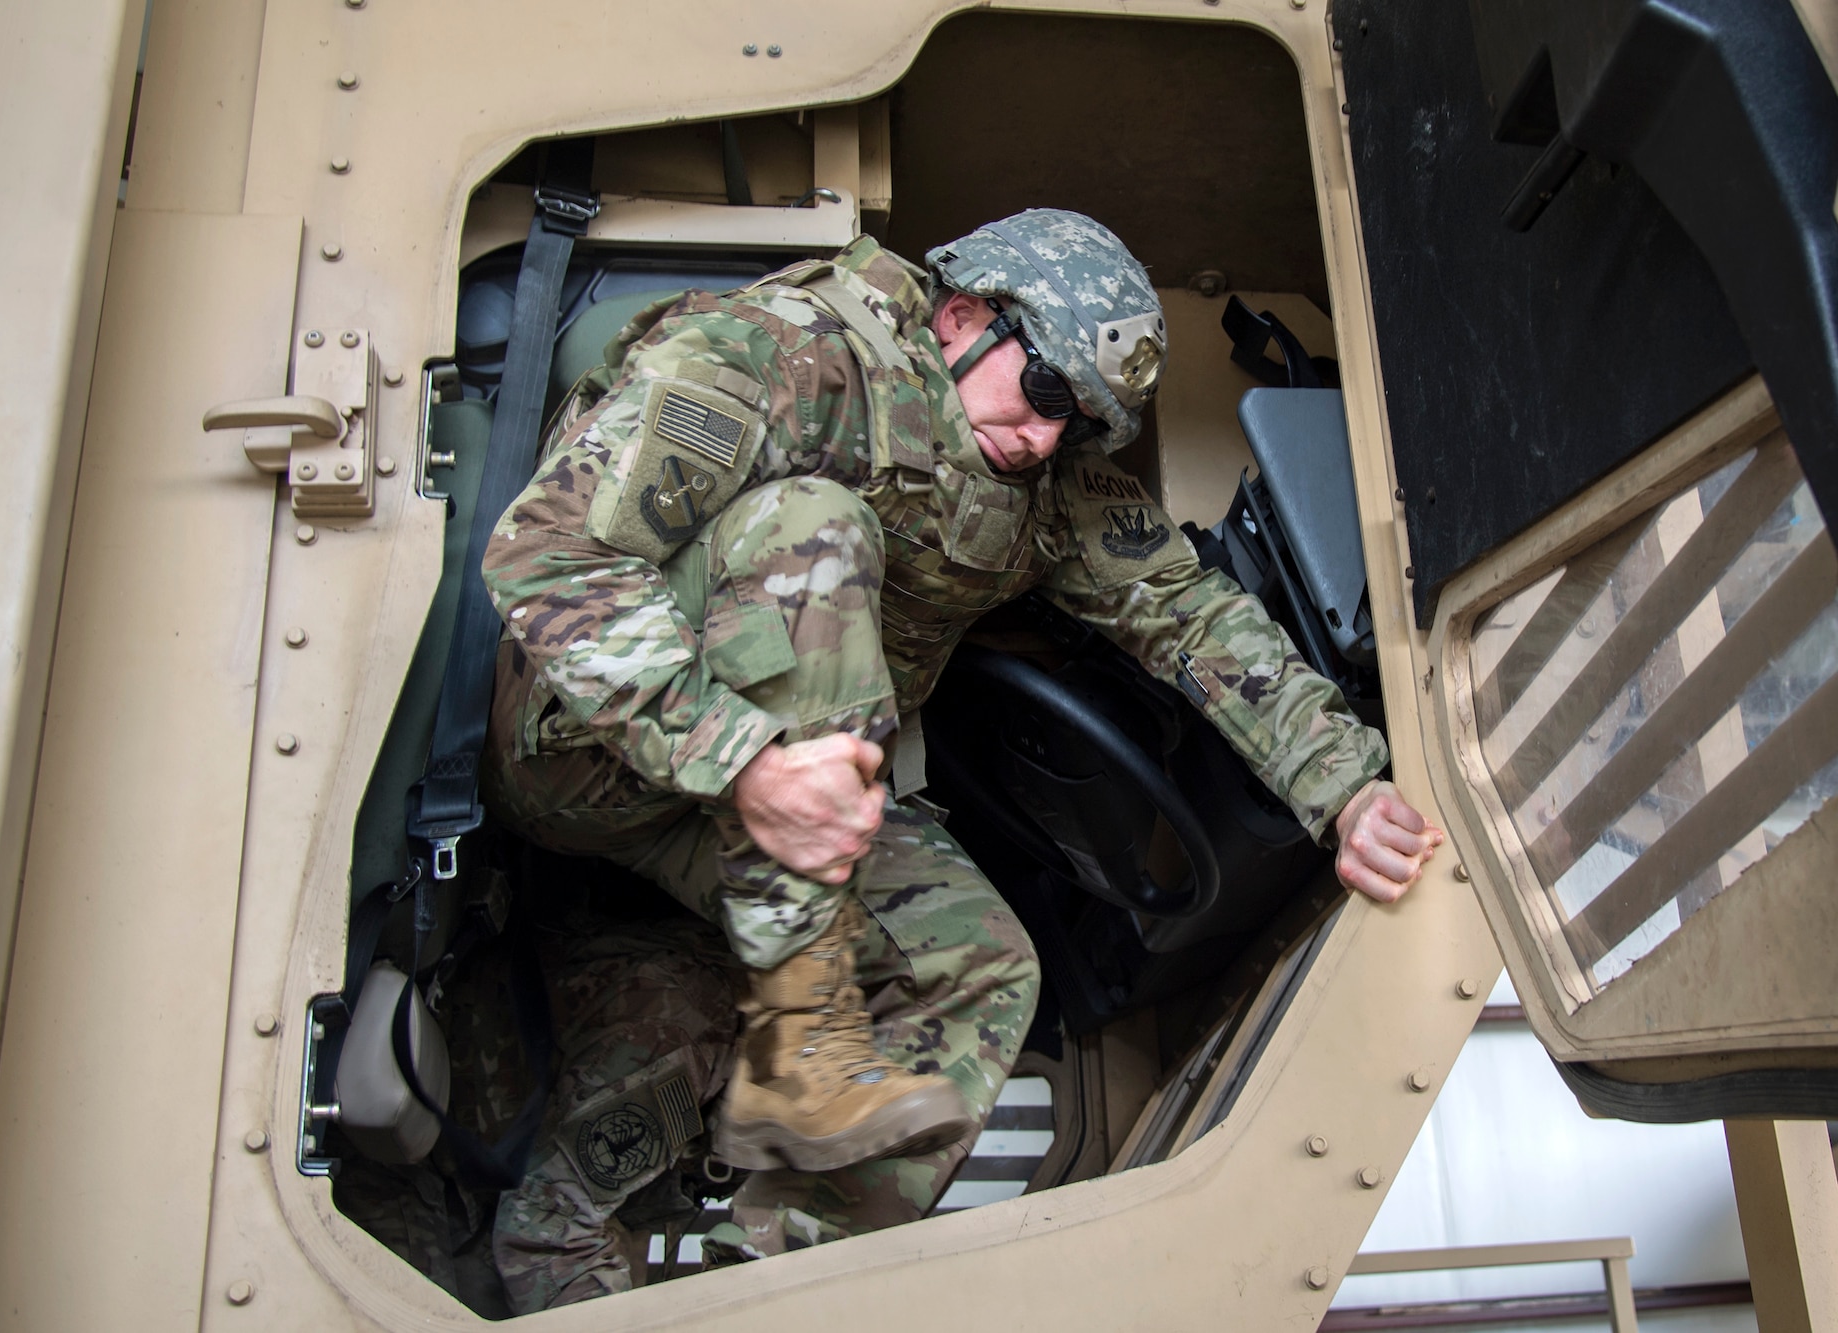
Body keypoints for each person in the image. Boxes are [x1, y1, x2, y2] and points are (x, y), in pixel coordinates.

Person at [478, 208, 1443, 1263]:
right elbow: (548, 558)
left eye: (1074, 424)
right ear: (962, 315)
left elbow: (1189, 616)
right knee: (814, 524)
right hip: (589, 752)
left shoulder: (1039, 487)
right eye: (1041, 395)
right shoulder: (782, 353)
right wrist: (737, 760)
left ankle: (778, 1270)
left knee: (982, 970)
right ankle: (804, 1033)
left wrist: (1343, 785)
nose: (1042, 437)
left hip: (769, 812)